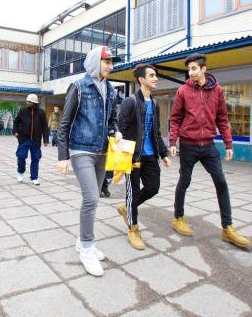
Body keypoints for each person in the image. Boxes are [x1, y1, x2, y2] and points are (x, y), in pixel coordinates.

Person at [169, 54, 251, 249]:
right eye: (189, 69)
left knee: (221, 182)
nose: (191, 72)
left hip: (208, 145)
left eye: (194, 68)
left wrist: (228, 143)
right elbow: (175, 118)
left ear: (204, 69)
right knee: (184, 181)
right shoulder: (183, 90)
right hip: (188, 144)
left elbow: (222, 118)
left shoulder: (217, 90)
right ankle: (178, 218)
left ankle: (227, 228)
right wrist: (172, 141)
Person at [57, 46, 122, 277]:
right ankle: (86, 248)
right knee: (91, 197)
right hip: (80, 149)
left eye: (111, 62)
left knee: (93, 200)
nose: (110, 66)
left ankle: (82, 241)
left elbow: (112, 119)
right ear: (95, 62)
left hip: (102, 151)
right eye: (106, 62)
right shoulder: (78, 87)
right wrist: (62, 156)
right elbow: (65, 123)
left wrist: (116, 131)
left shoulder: (110, 89)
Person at [117, 64, 171, 250]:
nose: (155, 78)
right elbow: (120, 128)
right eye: (152, 75)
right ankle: (133, 229)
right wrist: (126, 154)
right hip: (134, 156)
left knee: (153, 188)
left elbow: (156, 132)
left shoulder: (154, 104)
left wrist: (163, 153)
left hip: (151, 155)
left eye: (155, 75)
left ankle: (127, 208)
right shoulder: (130, 102)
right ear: (141, 79)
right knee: (132, 192)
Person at [13, 94, 49, 186]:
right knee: (21, 156)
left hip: (36, 140)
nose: (27, 102)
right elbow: (16, 121)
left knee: (36, 158)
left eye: (29, 101)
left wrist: (45, 139)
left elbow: (45, 126)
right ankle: (20, 172)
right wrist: (15, 131)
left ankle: (34, 177)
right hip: (24, 139)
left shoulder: (41, 112)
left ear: (34, 103)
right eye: (27, 101)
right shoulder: (22, 111)